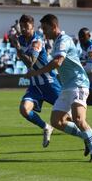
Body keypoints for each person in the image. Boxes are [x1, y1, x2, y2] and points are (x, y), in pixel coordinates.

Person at [27, 14, 92, 162]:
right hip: (67, 86)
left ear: (54, 27)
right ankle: (86, 137)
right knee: (56, 121)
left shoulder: (64, 40)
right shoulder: (56, 43)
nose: (44, 32)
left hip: (79, 84)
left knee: (79, 119)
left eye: (46, 28)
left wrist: (36, 72)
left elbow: (57, 62)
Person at [10, 14, 59, 148]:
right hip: (35, 85)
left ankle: (88, 138)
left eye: (27, 26)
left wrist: (18, 47)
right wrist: (15, 43)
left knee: (68, 117)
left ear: (32, 27)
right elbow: (18, 49)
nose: (24, 29)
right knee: (24, 110)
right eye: (22, 26)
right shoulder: (20, 39)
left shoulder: (37, 40)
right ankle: (46, 127)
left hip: (49, 83)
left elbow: (31, 62)